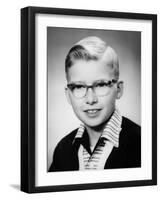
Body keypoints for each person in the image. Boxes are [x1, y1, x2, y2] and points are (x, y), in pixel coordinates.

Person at [49, 36, 141, 172]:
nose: (91, 99)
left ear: (119, 89)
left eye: (101, 85)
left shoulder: (144, 144)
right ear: (68, 95)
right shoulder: (63, 149)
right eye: (79, 87)